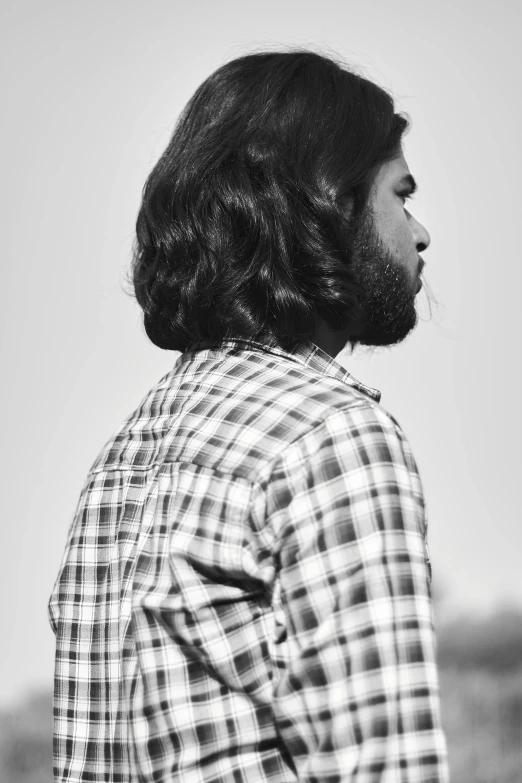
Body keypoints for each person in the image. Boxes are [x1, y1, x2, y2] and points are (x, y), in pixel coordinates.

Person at [49, 50, 449, 782]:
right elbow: (388, 763)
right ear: (332, 200)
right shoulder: (334, 436)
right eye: (401, 195)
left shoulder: (121, 459)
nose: (420, 233)